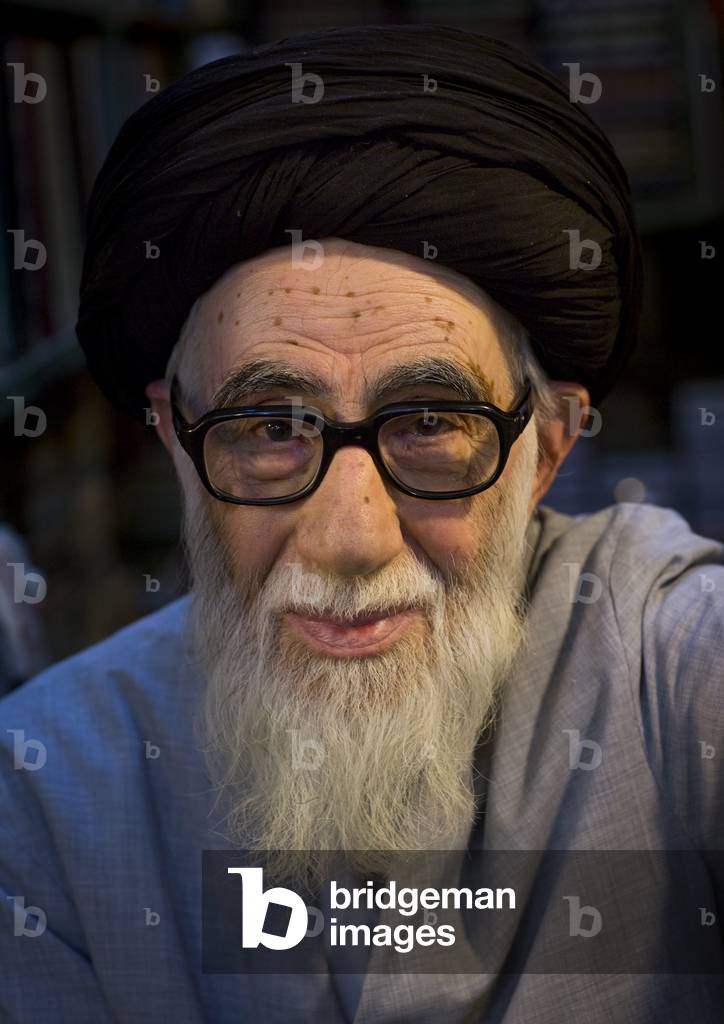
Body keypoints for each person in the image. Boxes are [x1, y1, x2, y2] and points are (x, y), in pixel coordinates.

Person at [2, 23, 723, 1024]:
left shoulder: (678, 671)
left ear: (549, 447)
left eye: (431, 423)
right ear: (175, 439)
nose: (350, 538)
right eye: (266, 427)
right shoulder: (41, 789)